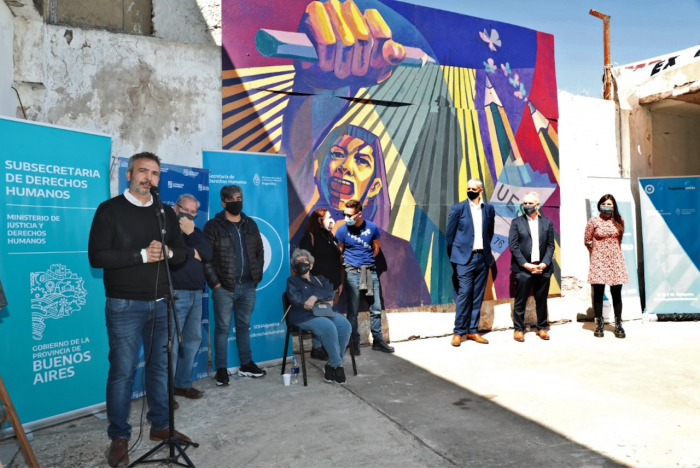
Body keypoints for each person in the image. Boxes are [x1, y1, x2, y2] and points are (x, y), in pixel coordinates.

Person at [88, 152, 190, 467]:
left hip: (161, 302)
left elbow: (182, 253)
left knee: (159, 368)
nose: (149, 178)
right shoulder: (109, 210)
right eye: (143, 171)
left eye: (155, 173)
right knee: (122, 371)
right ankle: (119, 436)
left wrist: (169, 251)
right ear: (130, 174)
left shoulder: (164, 213)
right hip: (124, 304)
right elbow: (98, 257)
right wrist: (142, 256)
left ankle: (160, 426)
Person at [203, 185, 266, 386]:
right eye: (231, 199)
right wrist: (216, 283)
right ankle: (221, 369)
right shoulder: (213, 226)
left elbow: (259, 251)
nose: (236, 202)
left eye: (239, 197)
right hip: (224, 288)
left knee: (244, 327)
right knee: (222, 329)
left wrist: (256, 276)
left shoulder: (251, 225)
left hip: (248, 286)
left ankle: (246, 364)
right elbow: (206, 259)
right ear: (223, 203)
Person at [335, 199, 395, 354]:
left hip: (370, 271)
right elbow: (339, 253)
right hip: (352, 272)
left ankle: (378, 341)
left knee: (375, 309)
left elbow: (376, 249)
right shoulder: (342, 231)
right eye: (344, 214)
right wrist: (350, 266)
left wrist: (365, 263)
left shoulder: (372, 228)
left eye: (349, 215)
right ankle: (353, 341)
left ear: (359, 214)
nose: (346, 217)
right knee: (353, 310)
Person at [286, 249, 352, 384]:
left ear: (311, 265)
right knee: (328, 326)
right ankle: (337, 365)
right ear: (294, 267)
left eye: (304, 261)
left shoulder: (320, 279)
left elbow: (329, 292)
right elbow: (297, 299)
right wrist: (321, 298)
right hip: (303, 316)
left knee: (345, 325)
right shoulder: (292, 281)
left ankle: (330, 364)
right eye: (297, 262)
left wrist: (315, 296)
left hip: (323, 312)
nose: (301, 263)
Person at [170, 194, 213, 400]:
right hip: (175, 294)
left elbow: (207, 253)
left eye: (194, 212)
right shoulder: (167, 229)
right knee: (171, 344)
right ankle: (164, 393)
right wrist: (191, 252)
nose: (189, 215)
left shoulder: (195, 231)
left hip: (197, 293)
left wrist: (191, 234)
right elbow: (168, 253)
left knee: (193, 340)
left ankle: (182, 384)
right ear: (176, 208)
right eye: (186, 210)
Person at [445, 179, 495, 346]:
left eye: (474, 188)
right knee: (465, 293)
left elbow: (490, 232)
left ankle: (473, 331)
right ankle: (459, 332)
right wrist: (459, 254)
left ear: (481, 190)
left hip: (482, 258)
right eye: (468, 188)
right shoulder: (458, 208)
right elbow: (450, 234)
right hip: (464, 259)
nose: (470, 190)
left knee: (477, 296)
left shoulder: (488, 209)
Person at [508, 192, 556, 342]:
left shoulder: (547, 223)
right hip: (524, 269)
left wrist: (544, 264)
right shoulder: (516, 222)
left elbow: (550, 246)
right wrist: (526, 265)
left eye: (530, 203)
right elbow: (513, 246)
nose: (527, 206)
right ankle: (518, 329)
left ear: (537, 205)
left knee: (541, 300)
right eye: (525, 203)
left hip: (543, 268)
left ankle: (542, 327)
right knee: (520, 300)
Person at [299, 208, 343, 360]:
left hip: (332, 287)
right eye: (328, 217)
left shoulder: (329, 237)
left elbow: (335, 261)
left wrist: (339, 281)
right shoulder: (309, 237)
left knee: (328, 316)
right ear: (319, 220)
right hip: (317, 288)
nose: (332, 220)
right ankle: (317, 348)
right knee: (320, 317)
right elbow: (303, 264)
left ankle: (323, 346)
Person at [584, 194, 629, 338]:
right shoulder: (593, 221)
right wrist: (597, 253)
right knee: (598, 293)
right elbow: (587, 240)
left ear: (614, 206)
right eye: (604, 204)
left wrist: (611, 252)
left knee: (616, 294)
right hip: (599, 261)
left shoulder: (619, 220)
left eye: (610, 204)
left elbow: (619, 240)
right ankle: (599, 324)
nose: (607, 206)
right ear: (599, 205)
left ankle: (618, 324)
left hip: (616, 261)